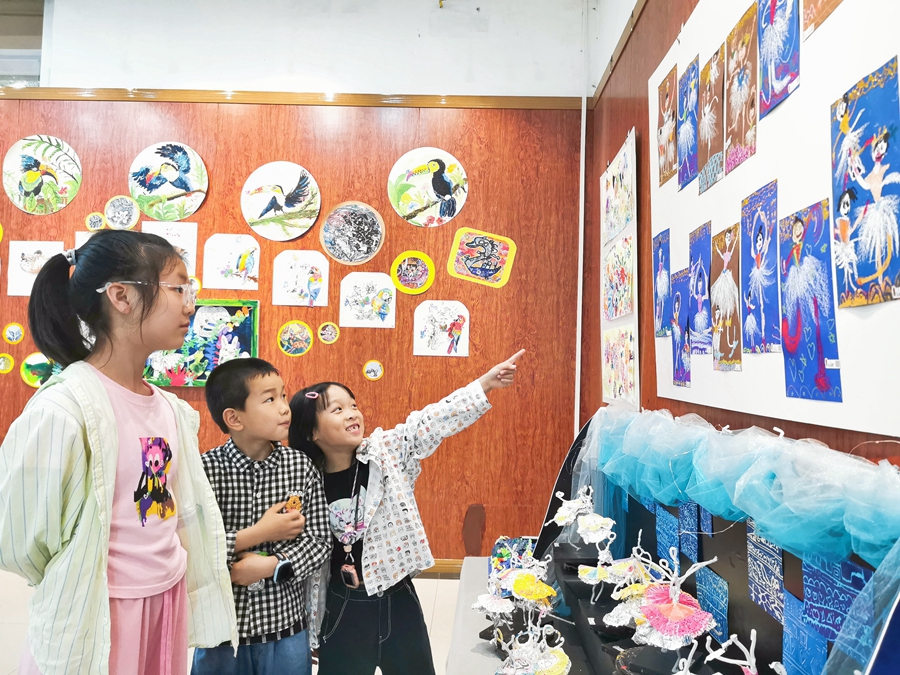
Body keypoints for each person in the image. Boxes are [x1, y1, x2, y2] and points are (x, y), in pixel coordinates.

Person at [0, 230, 237, 675]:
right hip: (100, 612)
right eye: (178, 288)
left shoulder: (170, 408)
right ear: (122, 296)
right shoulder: (63, 409)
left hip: (165, 599)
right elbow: (22, 540)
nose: (190, 305)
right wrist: (76, 571)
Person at [288, 350, 525, 675]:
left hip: (399, 600)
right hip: (343, 607)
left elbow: (430, 421)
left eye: (353, 405)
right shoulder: (304, 482)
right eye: (337, 409)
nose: (352, 413)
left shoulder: (385, 452)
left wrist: (485, 384)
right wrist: (310, 626)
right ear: (312, 432)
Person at [192, 358, 331, 675]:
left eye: (283, 395)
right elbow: (193, 547)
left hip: (285, 626)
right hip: (222, 632)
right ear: (234, 418)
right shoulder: (204, 471)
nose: (285, 408)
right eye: (270, 399)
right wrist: (259, 533)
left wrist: (273, 565)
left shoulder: (300, 466)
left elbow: (320, 541)